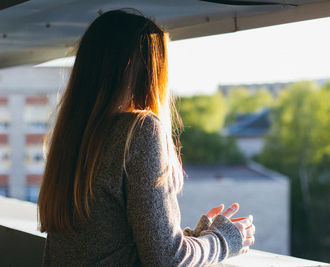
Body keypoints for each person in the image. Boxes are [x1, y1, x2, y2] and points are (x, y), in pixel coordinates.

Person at [37, 9, 255, 266]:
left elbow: (117, 246)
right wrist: (222, 240)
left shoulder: (73, 138)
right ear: (151, 72)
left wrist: (195, 238)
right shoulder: (139, 130)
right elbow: (165, 260)